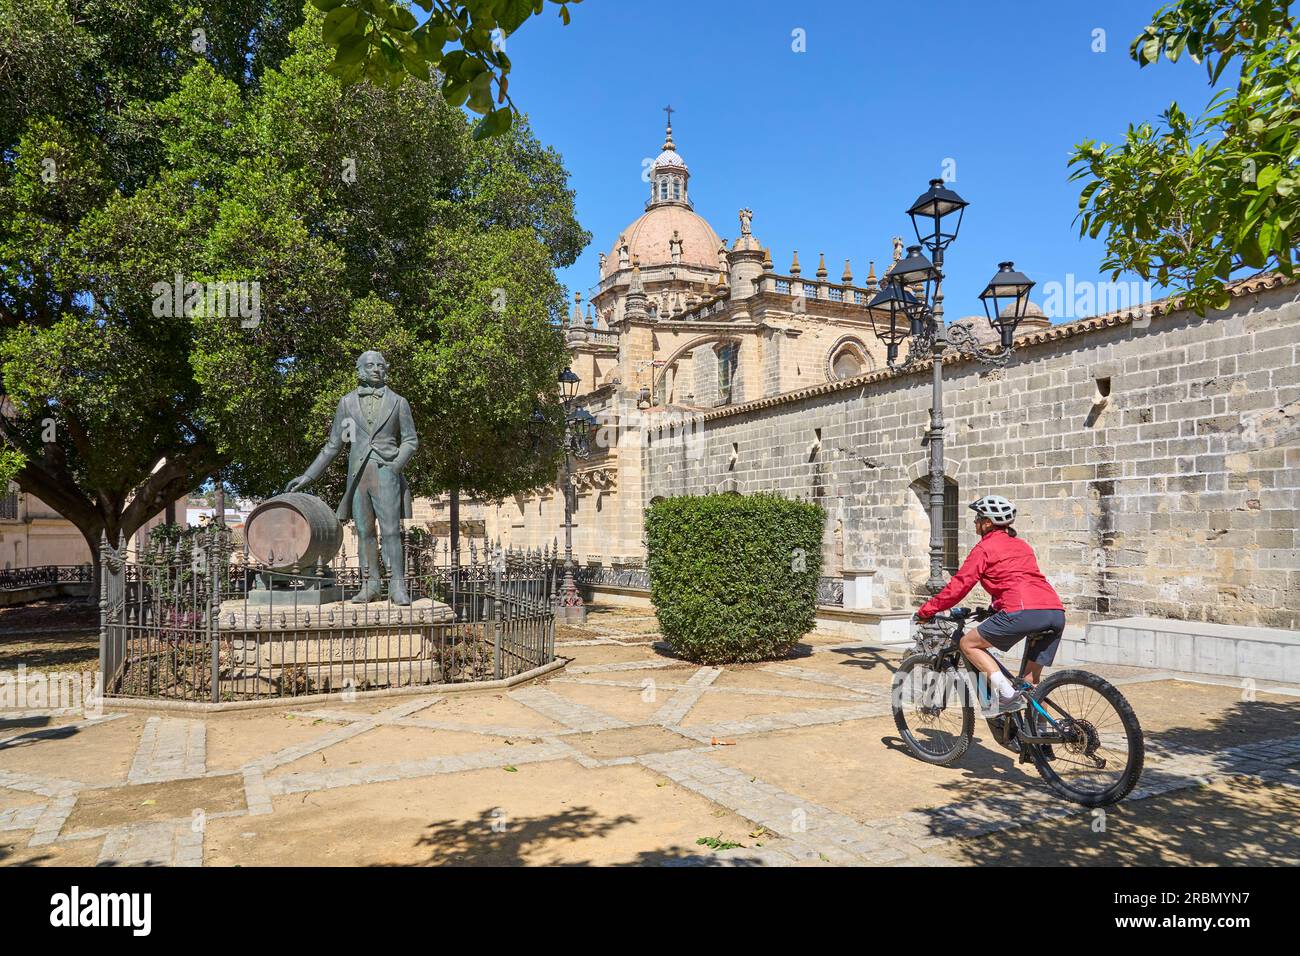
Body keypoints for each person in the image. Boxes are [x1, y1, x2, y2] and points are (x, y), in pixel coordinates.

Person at [915, 495, 1065, 714]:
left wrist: (926, 610)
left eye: (978, 518)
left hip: (1022, 611)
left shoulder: (984, 549)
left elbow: (959, 586)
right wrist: (993, 609)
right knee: (1030, 685)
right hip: (1054, 611)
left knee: (968, 644)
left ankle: (1006, 695)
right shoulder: (1022, 545)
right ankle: (1040, 738)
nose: (975, 522)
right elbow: (1015, 579)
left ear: (987, 522)